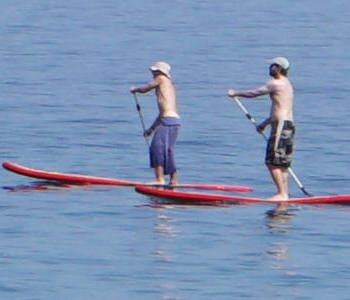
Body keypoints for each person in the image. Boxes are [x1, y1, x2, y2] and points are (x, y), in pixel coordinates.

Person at [227, 57, 295, 209]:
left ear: (279, 68)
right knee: (282, 163)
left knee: (272, 162)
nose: (270, 68)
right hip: (286, 124)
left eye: (273, 66)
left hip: (281, 126)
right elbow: (279, 108)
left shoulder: (276, 83)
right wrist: (265, 124)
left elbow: (254, 93)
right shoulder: (287, 84)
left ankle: (282, 194)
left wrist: (235, 93)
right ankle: (284, 193)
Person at [130, 61, 181, 186]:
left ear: (160, 72)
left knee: (156, 148)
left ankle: (159, 179)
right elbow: (162, 114)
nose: (152, 74)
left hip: (169, 120)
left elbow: (145, 88)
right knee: (168, 150)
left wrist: (135, 89)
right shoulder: (169, 86)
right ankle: (173, 181)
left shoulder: (161, 79)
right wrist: (151, 130)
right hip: (173, 120)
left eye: (154, 72)